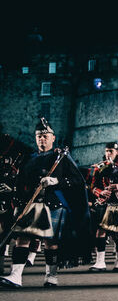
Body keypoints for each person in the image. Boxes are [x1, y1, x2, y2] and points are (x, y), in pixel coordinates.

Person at [1, 118, 91, 288]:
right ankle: (16, 275)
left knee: (51, 243)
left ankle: (51, 276)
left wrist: (56, 181)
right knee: (22, 239)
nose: (42, 139)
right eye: (39, 136)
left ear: (53, 137)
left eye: (45, 136)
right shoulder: (30, 158)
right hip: (31, 203)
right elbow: (22, 182)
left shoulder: (61, 156)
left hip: (54, 204)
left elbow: (77, 181)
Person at [89, 142, 118, 271]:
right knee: (100, 231)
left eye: (111, 151)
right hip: (105, 203)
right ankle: (100, 262)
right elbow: (93, 186)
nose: (108, 154)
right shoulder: (100, 167)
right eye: (107, 151)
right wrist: (101, 192)